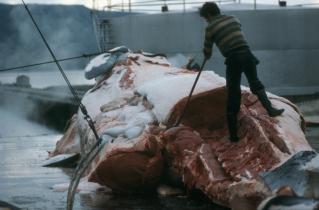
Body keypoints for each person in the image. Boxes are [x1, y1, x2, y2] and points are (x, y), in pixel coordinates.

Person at [199, 2, 284, 142]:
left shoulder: (210, 28)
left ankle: (233, 135)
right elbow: (236, 34)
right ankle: (271, 109)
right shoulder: (233, 19)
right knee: (256, 84)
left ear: (208, 14)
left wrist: (206, 54)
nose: (206, 21)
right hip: (247, 54)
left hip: (233, 58)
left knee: (233, 93)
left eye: (205, 18)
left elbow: (207, 50)